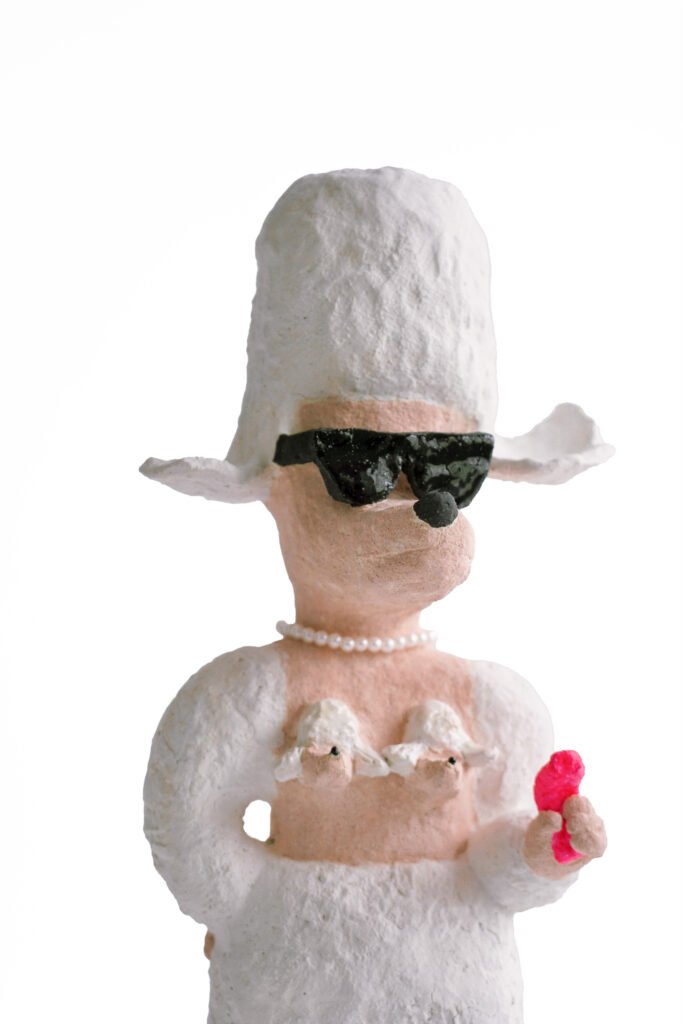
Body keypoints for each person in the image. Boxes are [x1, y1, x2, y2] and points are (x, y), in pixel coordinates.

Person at [141, 168, 610, 1023]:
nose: (426, 505)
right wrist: (253, 908)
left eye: (451, 467)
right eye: (359, 466)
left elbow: (492, 857)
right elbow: (187, 819)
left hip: (459, 989)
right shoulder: (250, 692)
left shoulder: (492, 702)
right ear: (273, 483)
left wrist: (541, 853)